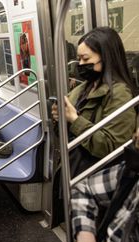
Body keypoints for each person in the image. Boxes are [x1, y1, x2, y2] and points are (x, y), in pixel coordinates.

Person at [19, 126, 139, 242]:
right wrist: (86, 236)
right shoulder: (132, 168)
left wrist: (75, 120)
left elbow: (107, 145)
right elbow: (85, 188)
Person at [50, 27, 137, 226]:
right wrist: (59, 120)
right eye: (79, 60)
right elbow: (67, 136)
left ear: (106, 57)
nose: (81, 65)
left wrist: (74, 119)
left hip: (100, 180)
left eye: (86, 60)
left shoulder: (120, 94)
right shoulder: (82, 88)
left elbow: (111, 146)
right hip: (76, 171)